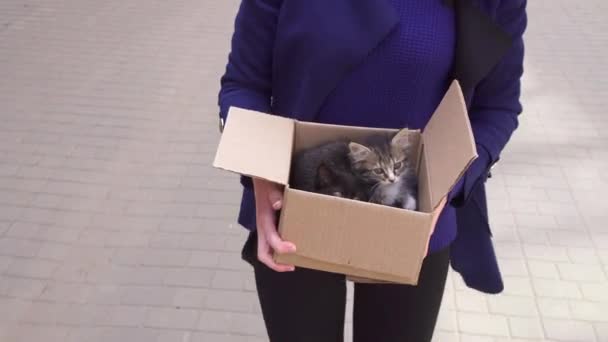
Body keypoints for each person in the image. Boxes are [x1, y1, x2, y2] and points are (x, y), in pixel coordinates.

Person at [217, 0, 527, 341]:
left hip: (414, 220)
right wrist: (261, 175)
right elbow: (244, 85)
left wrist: (452, 179)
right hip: (295, 208)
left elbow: (497, 107)